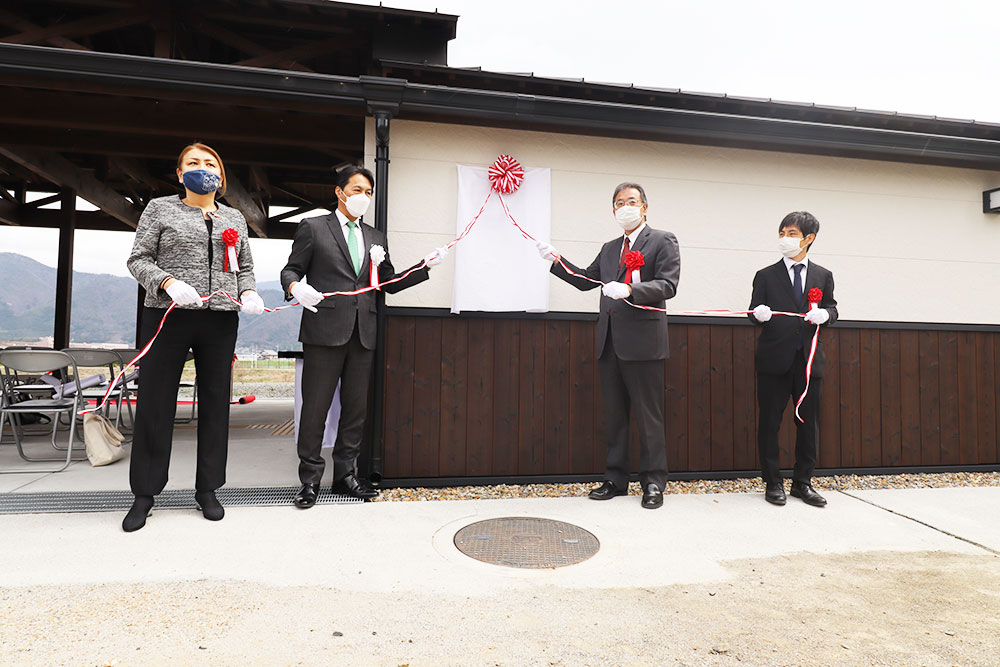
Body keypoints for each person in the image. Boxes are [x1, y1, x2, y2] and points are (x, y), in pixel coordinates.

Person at [281, 165, 447, 507]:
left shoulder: (376, 237)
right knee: (315, 408)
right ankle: (310, 480)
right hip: (324, 330)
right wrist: (295, 287)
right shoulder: (313, 227)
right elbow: (291, 269)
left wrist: (424, 266)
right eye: (357, 190)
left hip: (364, 333)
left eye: (368, 192)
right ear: (339, 192)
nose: (363, 197)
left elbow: (387, 283)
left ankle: (345, 476)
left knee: (355, 410)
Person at [123, 142, 266, 532]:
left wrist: (249, 292)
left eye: (209, 163)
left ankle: (208, 489)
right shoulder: (160, 209)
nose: (202, 168)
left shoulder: (233, 217)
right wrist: (167, 282)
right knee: (155, 403)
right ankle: (145, 493)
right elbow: (138, 259)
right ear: (179, 172)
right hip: (168, 315)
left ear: (220, 174)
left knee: (217, 403)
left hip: (220, 318)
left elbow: (245, 267)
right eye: (193, 163)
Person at [537, 182, 680, 509]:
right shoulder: (609, 247)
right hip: (610, 341)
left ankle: (653, 482)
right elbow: (587, 280)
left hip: (644, 343)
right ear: (613, 210)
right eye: (619, 203)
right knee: (615, 416)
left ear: (644, 207)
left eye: (631, 201)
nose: (625, 207)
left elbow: (668, 285)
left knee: (648, 416)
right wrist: (557, 260)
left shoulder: (662, 240)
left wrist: (630, 290)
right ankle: (615, 479)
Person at [749, 211, 838, 507]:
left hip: (809, 361)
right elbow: (753, 312)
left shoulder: (823, 275)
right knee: (770, 423)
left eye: (791, 233)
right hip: (774, 361)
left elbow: (832, 309)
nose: (784, 238)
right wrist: (759, 314)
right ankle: (773, 482)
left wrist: (825, 315)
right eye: (782, 233)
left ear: (808, 238)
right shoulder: (765, 275)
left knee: (808, 423)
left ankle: (803, 482)